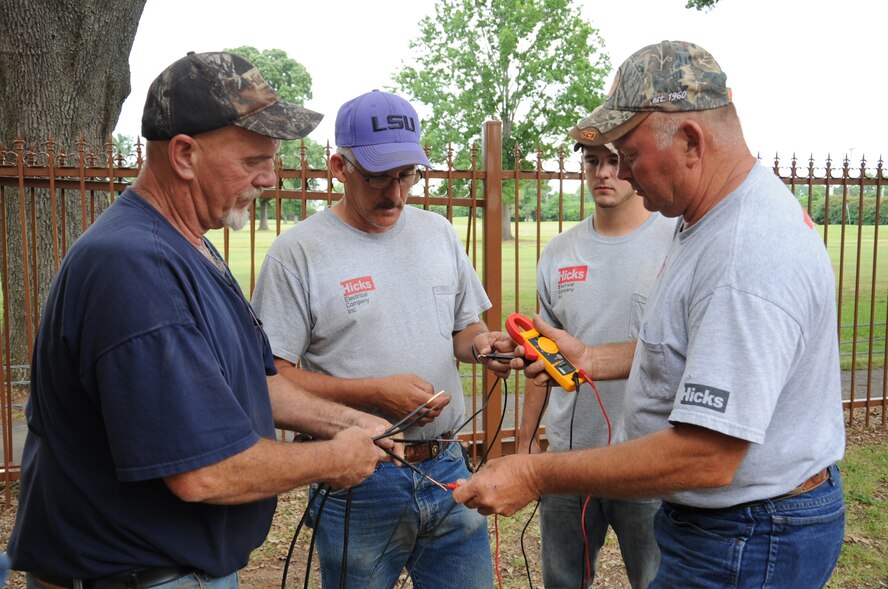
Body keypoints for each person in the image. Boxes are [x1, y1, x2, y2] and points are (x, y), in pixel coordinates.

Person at [454, 40, 846, 589]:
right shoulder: (708, 217)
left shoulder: (741, 254)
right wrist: (590, 356)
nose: (625, 174)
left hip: (748, 535)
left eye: (630, 154)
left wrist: (534, 471)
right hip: (734, 525)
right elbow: (700, 350)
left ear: (689, 140)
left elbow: (706, 455)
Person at [7, 52, 391, 589]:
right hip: (132, 576)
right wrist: (333, 459)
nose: (270, 179)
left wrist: (352, 425)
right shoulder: (134, 267)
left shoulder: (188, 247)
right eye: (255, 159)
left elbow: (256, 385)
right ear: (184, 154)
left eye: (273, 159)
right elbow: (203, 471)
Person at [251, 89, 515, 588]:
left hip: (448, 464)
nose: (394, 193)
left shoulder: (438, 232)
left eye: (405, 176)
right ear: (338, 165)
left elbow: (465, 329)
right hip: (360, 476)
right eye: (376, 176)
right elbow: (274, 378)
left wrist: (484, 348)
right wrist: (374, 392)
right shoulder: (297, 252)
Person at [517, 141, 675, 589]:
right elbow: (543, 356)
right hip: (571, 457)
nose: (603, 173)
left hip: (647, 457)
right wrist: (528, 442)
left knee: (656, 580)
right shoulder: (561, 251)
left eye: (613, 161)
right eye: (592, 162)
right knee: (563, 581)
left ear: (632, 163)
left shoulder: (674, 241)